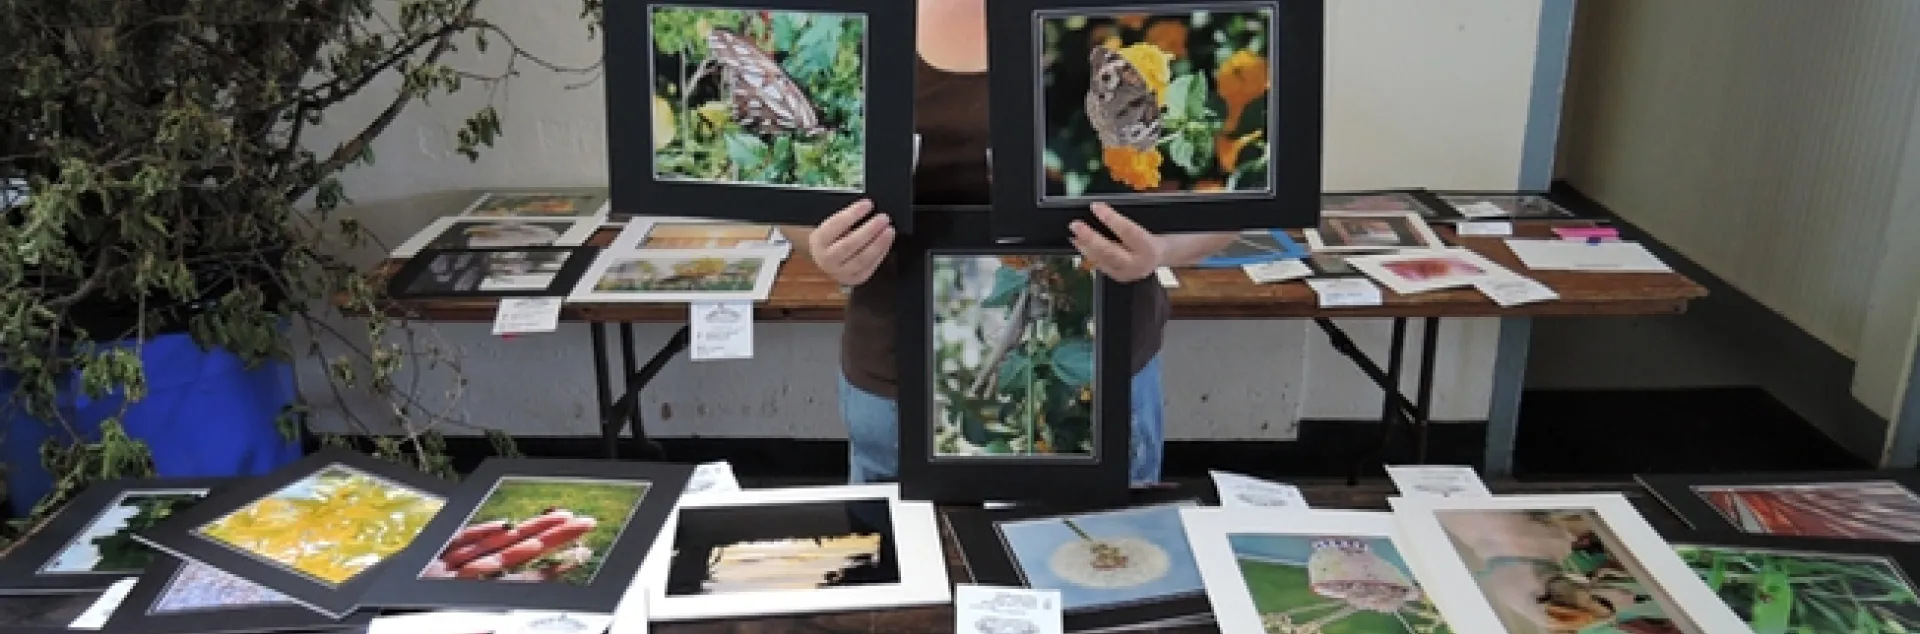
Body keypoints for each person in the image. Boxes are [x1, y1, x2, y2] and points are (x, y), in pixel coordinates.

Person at [805, 0, 1237, 486]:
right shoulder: (840, 19)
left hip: (1094, 374)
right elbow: (787, 193)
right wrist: (820, 245)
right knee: (904, 560)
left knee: (1103, 556)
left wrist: (1162, 251)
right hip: (894, 378)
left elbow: (1235, 197)